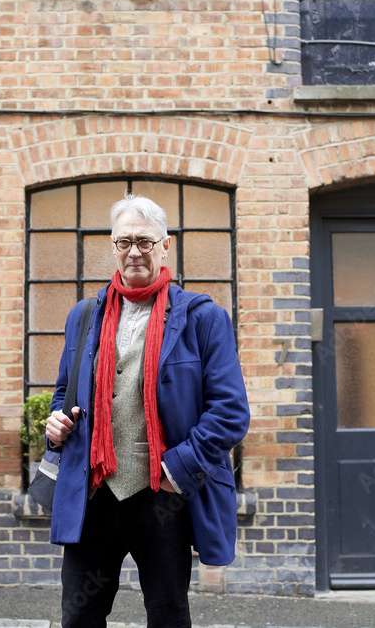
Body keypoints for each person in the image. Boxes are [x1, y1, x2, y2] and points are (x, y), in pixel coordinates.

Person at [45, 192, 250, 628]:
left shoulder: (202, 318)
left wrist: (178, 470)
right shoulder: (84, 316)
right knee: (79, 617)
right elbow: (64, 391)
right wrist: (57, 421)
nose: (134, 251)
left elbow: (230, 412)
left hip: (162, 498)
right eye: (124, 242)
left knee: (167, 616)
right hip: (93, 495)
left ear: (165, 246)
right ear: (113, 246)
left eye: (144, 241)